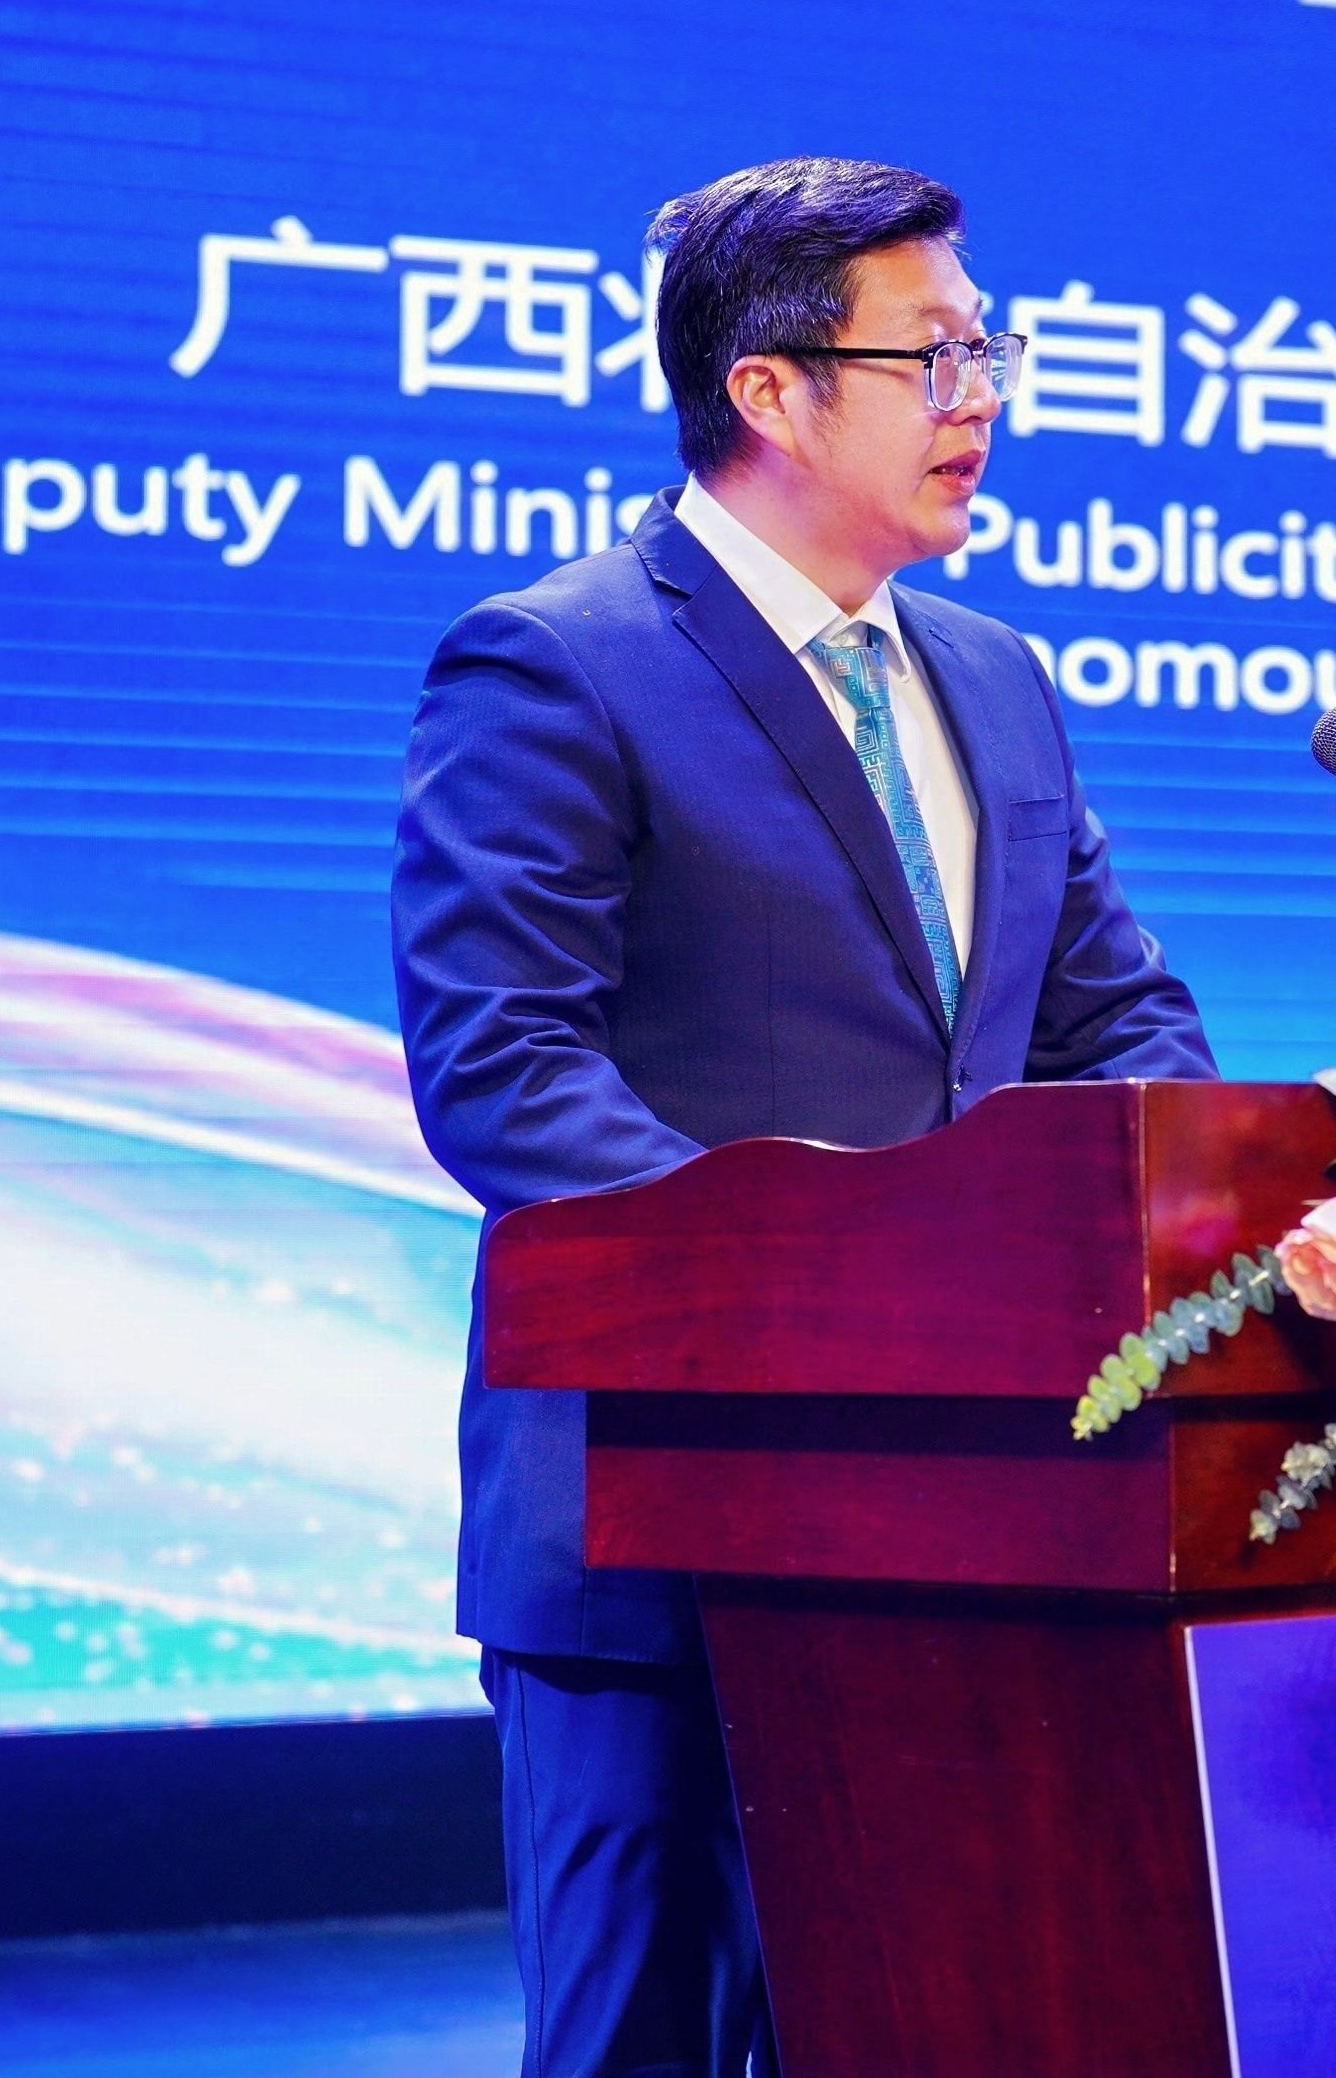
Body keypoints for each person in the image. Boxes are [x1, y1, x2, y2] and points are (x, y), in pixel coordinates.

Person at [390, 156, 1213, 2078]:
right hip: (653, 1529)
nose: (980, 397)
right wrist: (839, 1281)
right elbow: (503, 1064)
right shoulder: (558, 660)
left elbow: (1114, 1017)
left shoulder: (992, 679)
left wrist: (1189, 1212)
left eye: (988, 351)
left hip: (966, 1538)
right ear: (766, 389)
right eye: (933, 357)